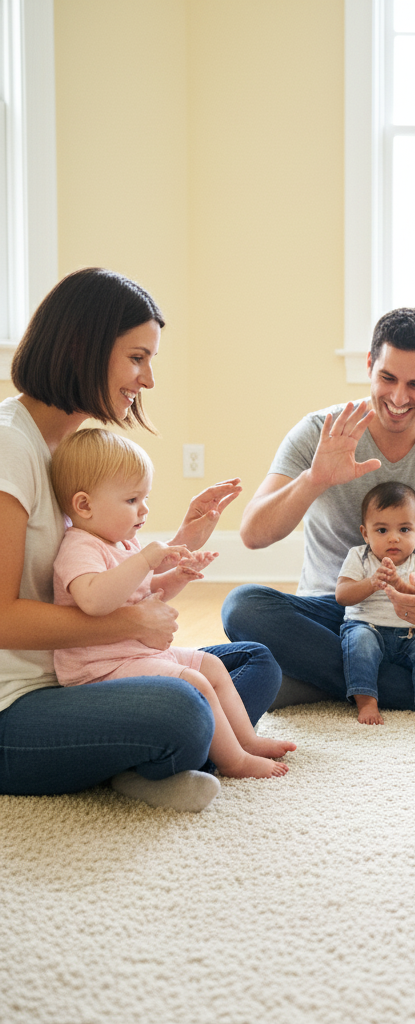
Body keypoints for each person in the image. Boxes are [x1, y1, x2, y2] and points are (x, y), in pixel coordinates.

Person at [0, 267, 281, 812]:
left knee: (255, 664)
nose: (148, 380)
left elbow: (106, 573)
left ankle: (138, 756)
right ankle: (151, 752)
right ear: (84, 347)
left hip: (85, 676)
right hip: (18, 708)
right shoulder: (10, 450)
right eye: (136, 358)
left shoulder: (72, 452)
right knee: (181, 709)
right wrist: (130, 622)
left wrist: (182, 541)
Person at [221, 307, 415, 712]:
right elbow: (253, 533)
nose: (399, 398)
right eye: (387, 378)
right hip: (334, 612)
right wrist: (314, 479)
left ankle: (324, 682)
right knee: (242, 607)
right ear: (369, 365)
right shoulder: (319, 431)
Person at [50, 428, 294, 778]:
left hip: (137, 655)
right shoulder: (80, 547)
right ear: (84, 505)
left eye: (145, 498)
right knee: (196, 683)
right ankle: (232, 761)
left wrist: (176, 577)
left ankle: (246, 741)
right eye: (132, 500)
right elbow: (93, 600)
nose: (144, 509)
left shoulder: (122, 545)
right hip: (101, 670)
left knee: (211, 666)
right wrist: (146, 560)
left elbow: (145, 593)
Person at [336, 481, 415, 725]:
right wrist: (372, 583)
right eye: (382, 530)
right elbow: (342, 595)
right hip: (366, 627)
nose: (394, 538)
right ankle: (366, 702)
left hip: (412, 633)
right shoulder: (359, 556)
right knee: (358, 645)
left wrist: (404, 587)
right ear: (366, 533)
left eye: (405, 530)